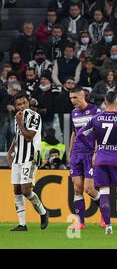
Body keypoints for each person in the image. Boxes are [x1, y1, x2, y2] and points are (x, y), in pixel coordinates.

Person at [77, 91, 117, 235]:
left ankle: (108, 227)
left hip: (100, 159)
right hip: (116, 158)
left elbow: (80, 134)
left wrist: (92, 148)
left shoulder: (96, 118)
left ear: (105, 102)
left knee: (104, 192)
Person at [7, 92, 49, 231]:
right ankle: (22, 224)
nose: (22, 106)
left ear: (28, 102)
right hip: (18, 156)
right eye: (18, 104)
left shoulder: (34, 116)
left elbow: (29, 137)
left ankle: (43, 212)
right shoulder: (16, 117)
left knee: (26, 190)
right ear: (15, 106)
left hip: (30, 156)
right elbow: (17, 137)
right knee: (17, 190)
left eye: (24, 103)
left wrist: (19, 122)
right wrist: (10, 150)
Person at [67, 86, 102, 230]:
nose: (73, 101)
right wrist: (70, 153)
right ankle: (80, 222)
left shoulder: (95, 111)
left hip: (90, 153)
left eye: (75, 97)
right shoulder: (74, 113)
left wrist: (96, 152)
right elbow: (74, 133)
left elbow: (100, 134)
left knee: (89, 189)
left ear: (83, 96)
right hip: (77, 154)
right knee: (77, 188)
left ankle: (105, 215)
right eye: (71, 98)